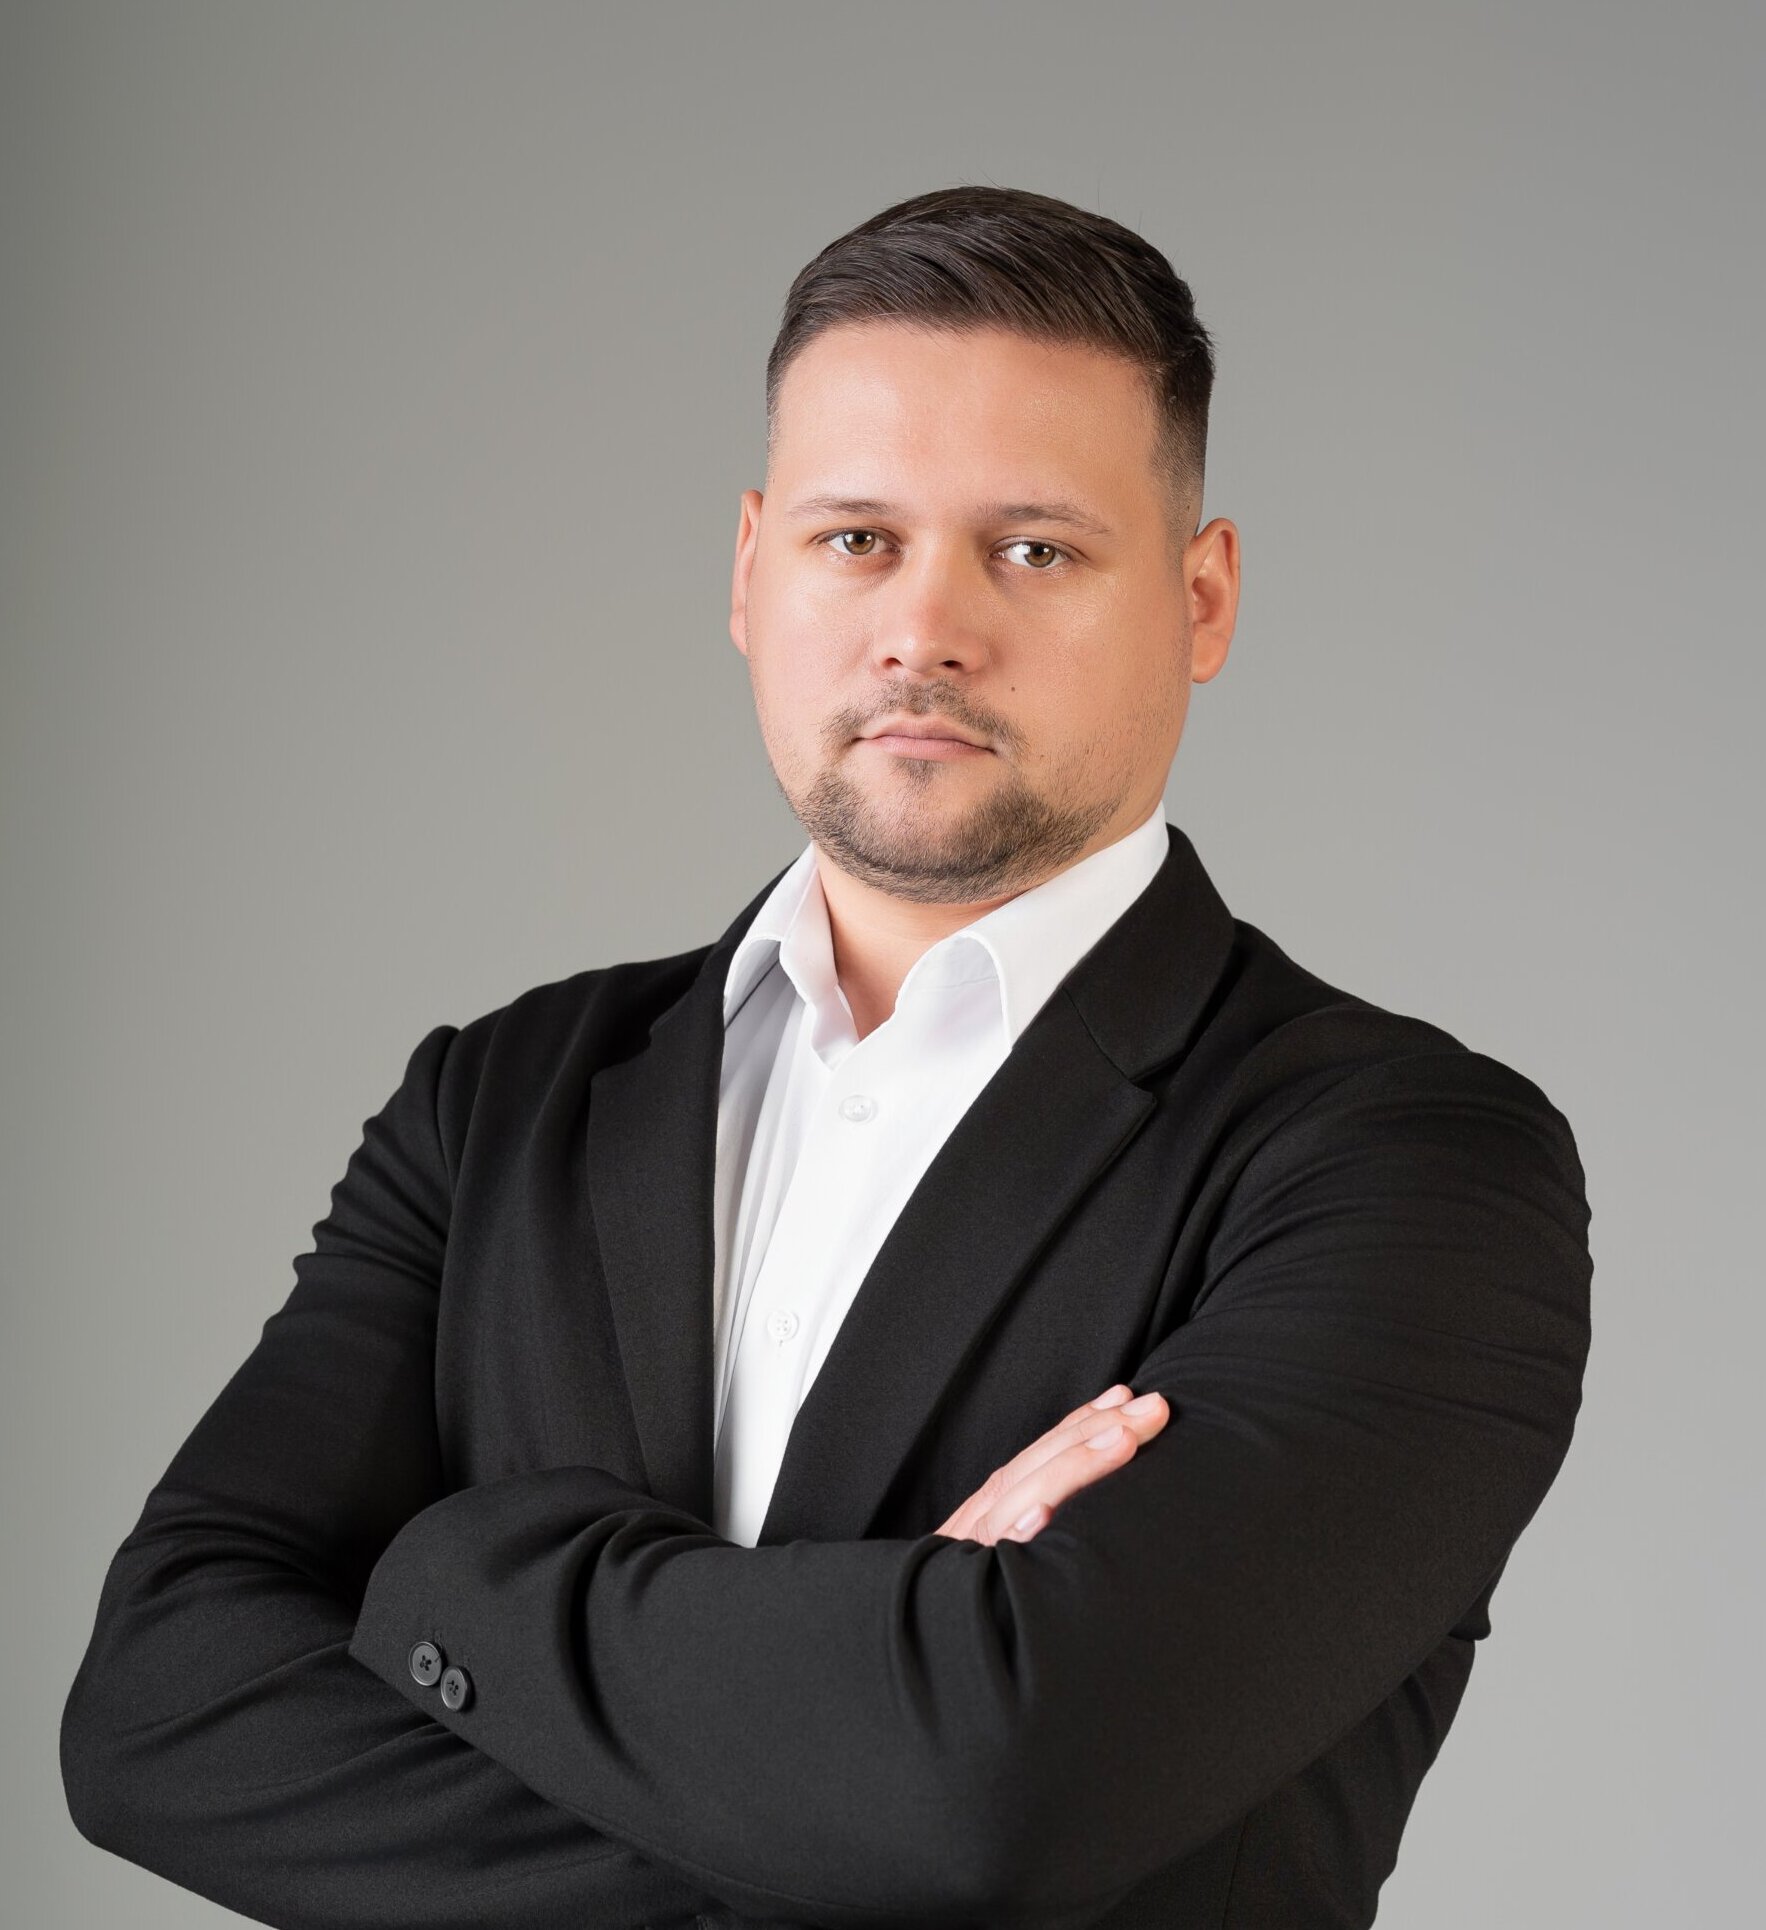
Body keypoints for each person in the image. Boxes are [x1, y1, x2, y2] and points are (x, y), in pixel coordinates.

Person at [59, 185, 1593, 1930]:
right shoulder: (495, 1104)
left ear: (1201, 597)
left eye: (1032, 548)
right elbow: (156, 1712)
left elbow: (996, 1778)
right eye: (855, 537)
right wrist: (873, 1745)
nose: (923, 628)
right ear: (748, 569)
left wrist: (452, 1566)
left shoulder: (1409, 1167)